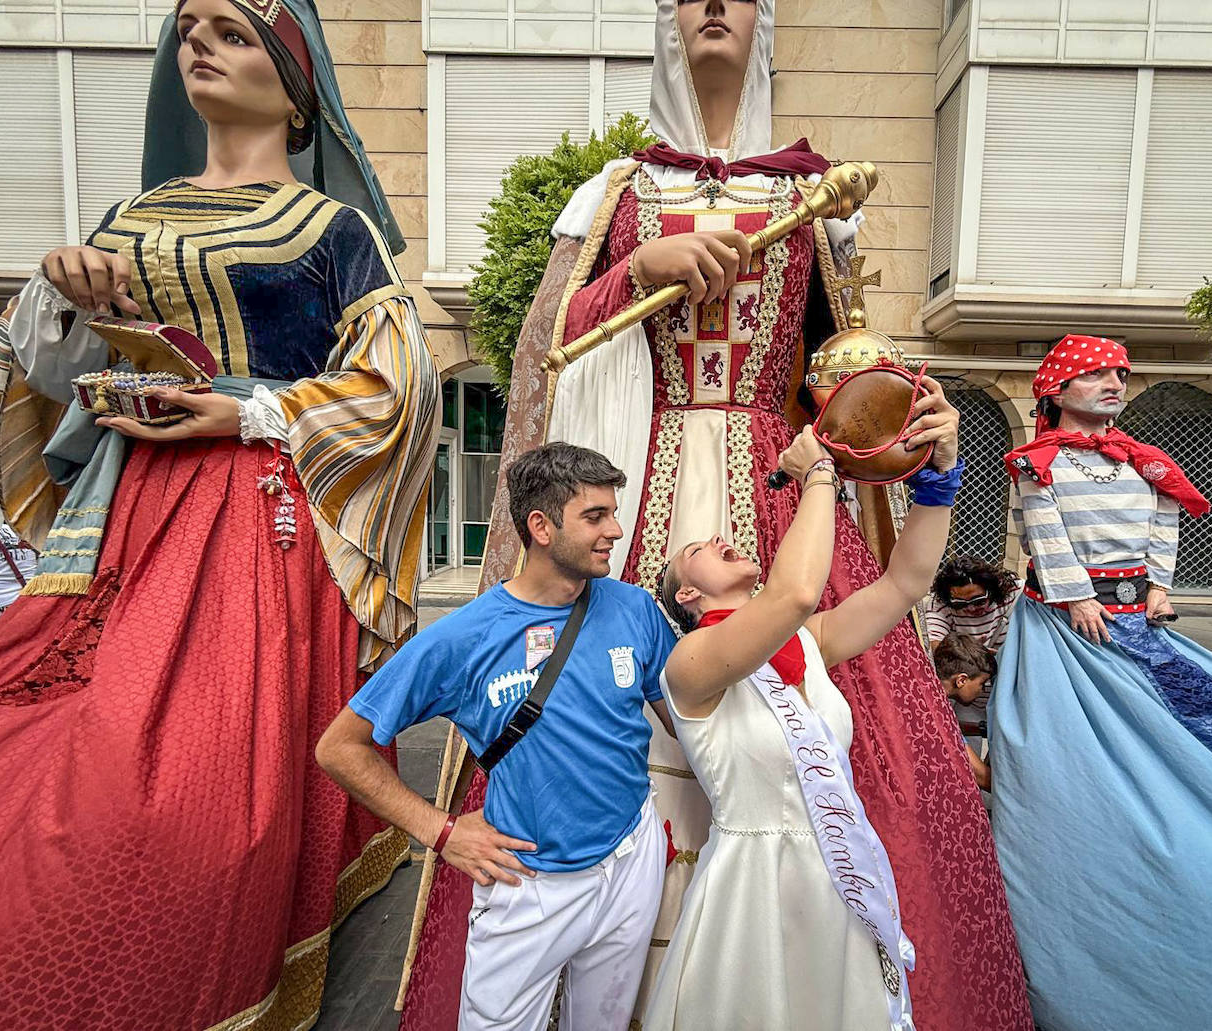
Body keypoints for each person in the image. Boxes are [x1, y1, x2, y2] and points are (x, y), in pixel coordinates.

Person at [400, 3, 1033, 1029]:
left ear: (765, 24)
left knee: (826, 695)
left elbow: (846, 360)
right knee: (607, 702)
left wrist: (912, 443)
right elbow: (543, 350)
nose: (711, 9)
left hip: (771, 475)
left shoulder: (812, 192)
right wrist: (632, 273)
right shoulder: (616, 189)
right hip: (642, 475)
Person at [0, 0, 441, 1025]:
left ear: (294, 87)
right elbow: (47, 377)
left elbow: (401, 386)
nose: (200, 44)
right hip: (117, 513)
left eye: (233, 32)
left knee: (180, 786)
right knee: (50, 733)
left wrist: (250, 410)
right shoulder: (129, 220)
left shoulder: (334, 230)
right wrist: (61, 296)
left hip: (257, 518)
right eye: (189, 29)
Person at [991, 334, 1212, 1030]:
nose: (1112, 383)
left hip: (1142, 625)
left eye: (1118, 374)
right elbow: (1044, 533)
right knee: (1069, 766)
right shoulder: (1037, 465)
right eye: (1094, 373)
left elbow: (1165, 524)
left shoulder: (1144, 462)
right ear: (1056, 389)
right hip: (1071, 635)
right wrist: (1074, 596)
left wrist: (1159, 586)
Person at [317, 442, 677, 1031]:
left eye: (614, 511)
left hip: (631, 858)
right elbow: (338, 748)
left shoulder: (635, 608)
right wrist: (440, 832)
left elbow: (684, 720)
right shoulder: (462, 637)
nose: (616, 529)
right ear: (540, 526)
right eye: (594, 516)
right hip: (528, 883)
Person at [646, 388, 960, 1031]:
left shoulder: (809, 643)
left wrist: (938, 479)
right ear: (686, 591)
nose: (718, 537)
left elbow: (907, 582)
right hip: (752, 884)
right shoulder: (691, 667)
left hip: (836, 877)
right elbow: (793, 592)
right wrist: (819, 472)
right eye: (696, 548)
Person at [932, 634, 996, 790]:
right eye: (982, 683)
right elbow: (982, 777)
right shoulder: (938, 714)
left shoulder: (932, 698)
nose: (983, 690)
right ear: (961, 680)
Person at [925, 556, 1020, 650]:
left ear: (991, 590)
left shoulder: (1013, 591)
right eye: (960, 604)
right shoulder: (940, 602)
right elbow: (933, 644)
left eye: (979, 601)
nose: (971, 608)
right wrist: (965, 652)